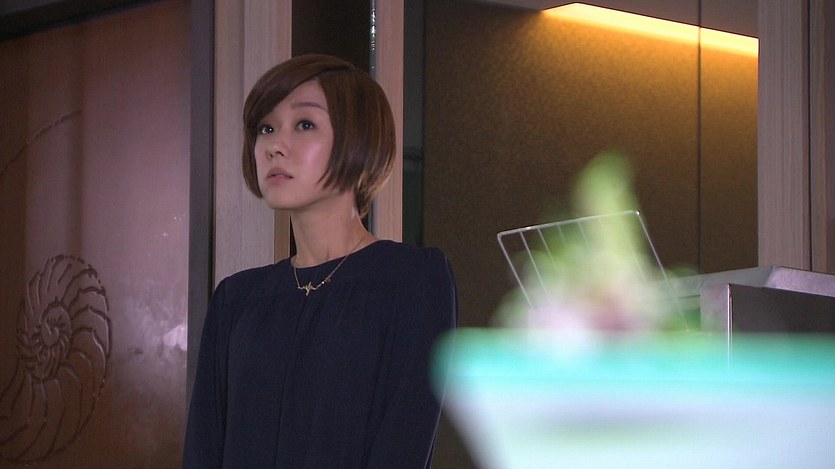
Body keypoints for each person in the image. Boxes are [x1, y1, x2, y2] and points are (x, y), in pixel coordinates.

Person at [183, 54, 457, 468]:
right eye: (266, 128)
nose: (275, 145)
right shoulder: (236, 299)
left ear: (358, 140)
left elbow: (404, 441)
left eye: (305, 124)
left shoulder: (412, 280)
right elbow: (203, 450)